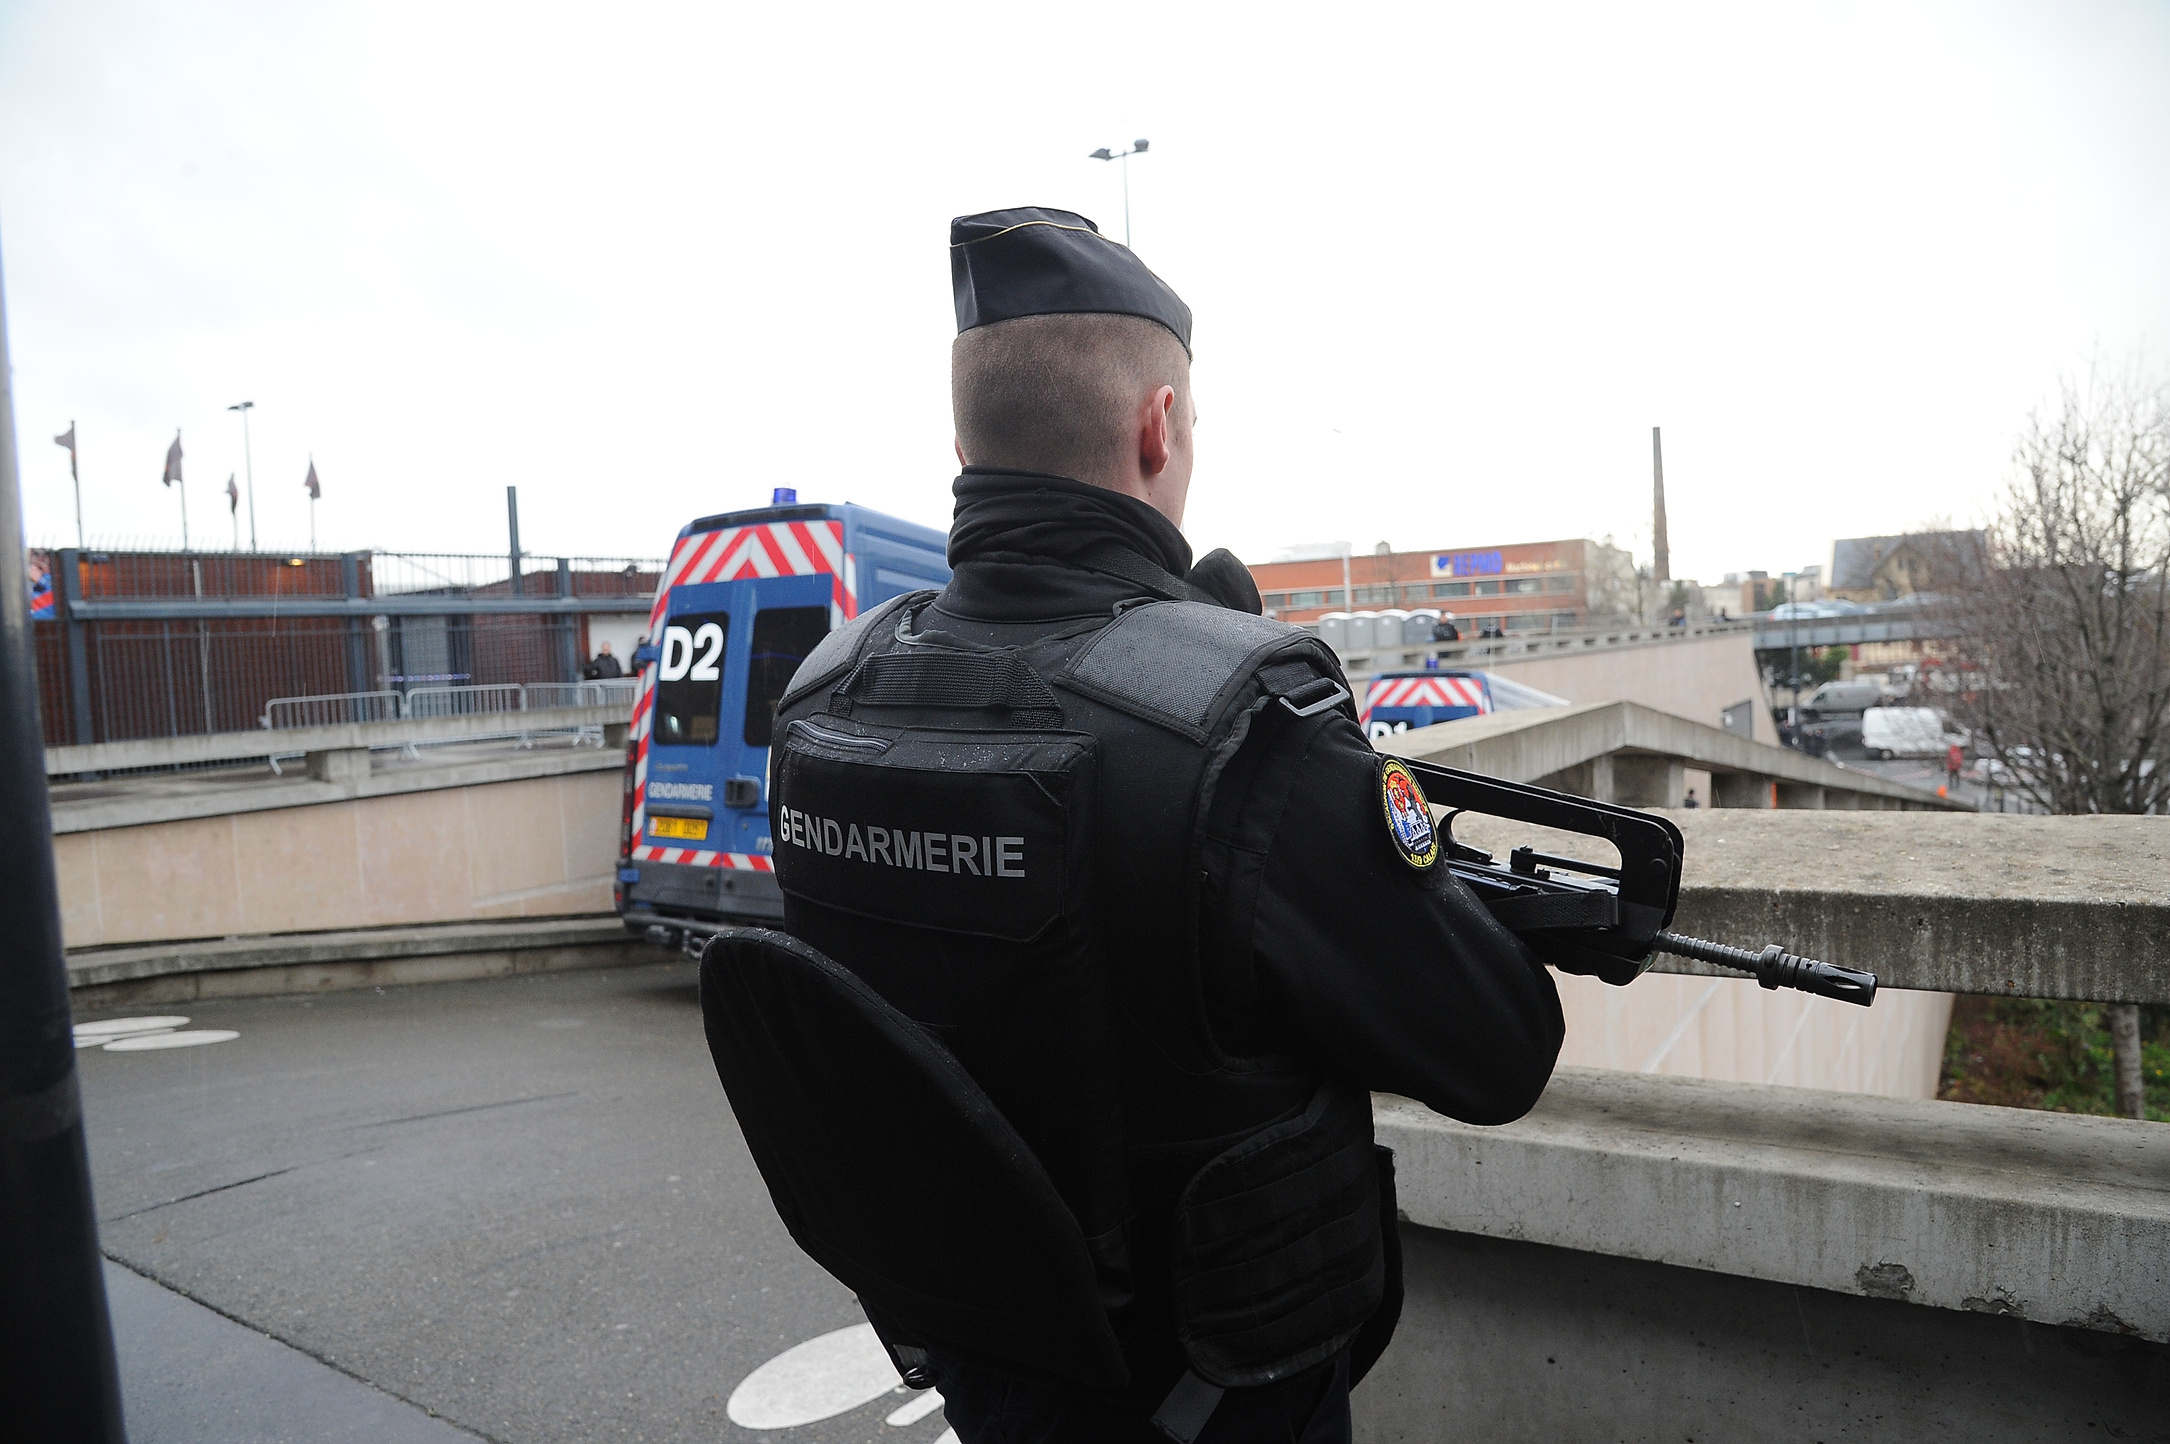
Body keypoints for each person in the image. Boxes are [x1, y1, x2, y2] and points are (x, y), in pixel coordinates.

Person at [762, 206, 1564, 1444]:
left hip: (988, 1366)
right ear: (1155, 427)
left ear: (967, 441)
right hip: (1209, 1400)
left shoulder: (822, 702)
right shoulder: (1245, 730)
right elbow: (1497, 1050)